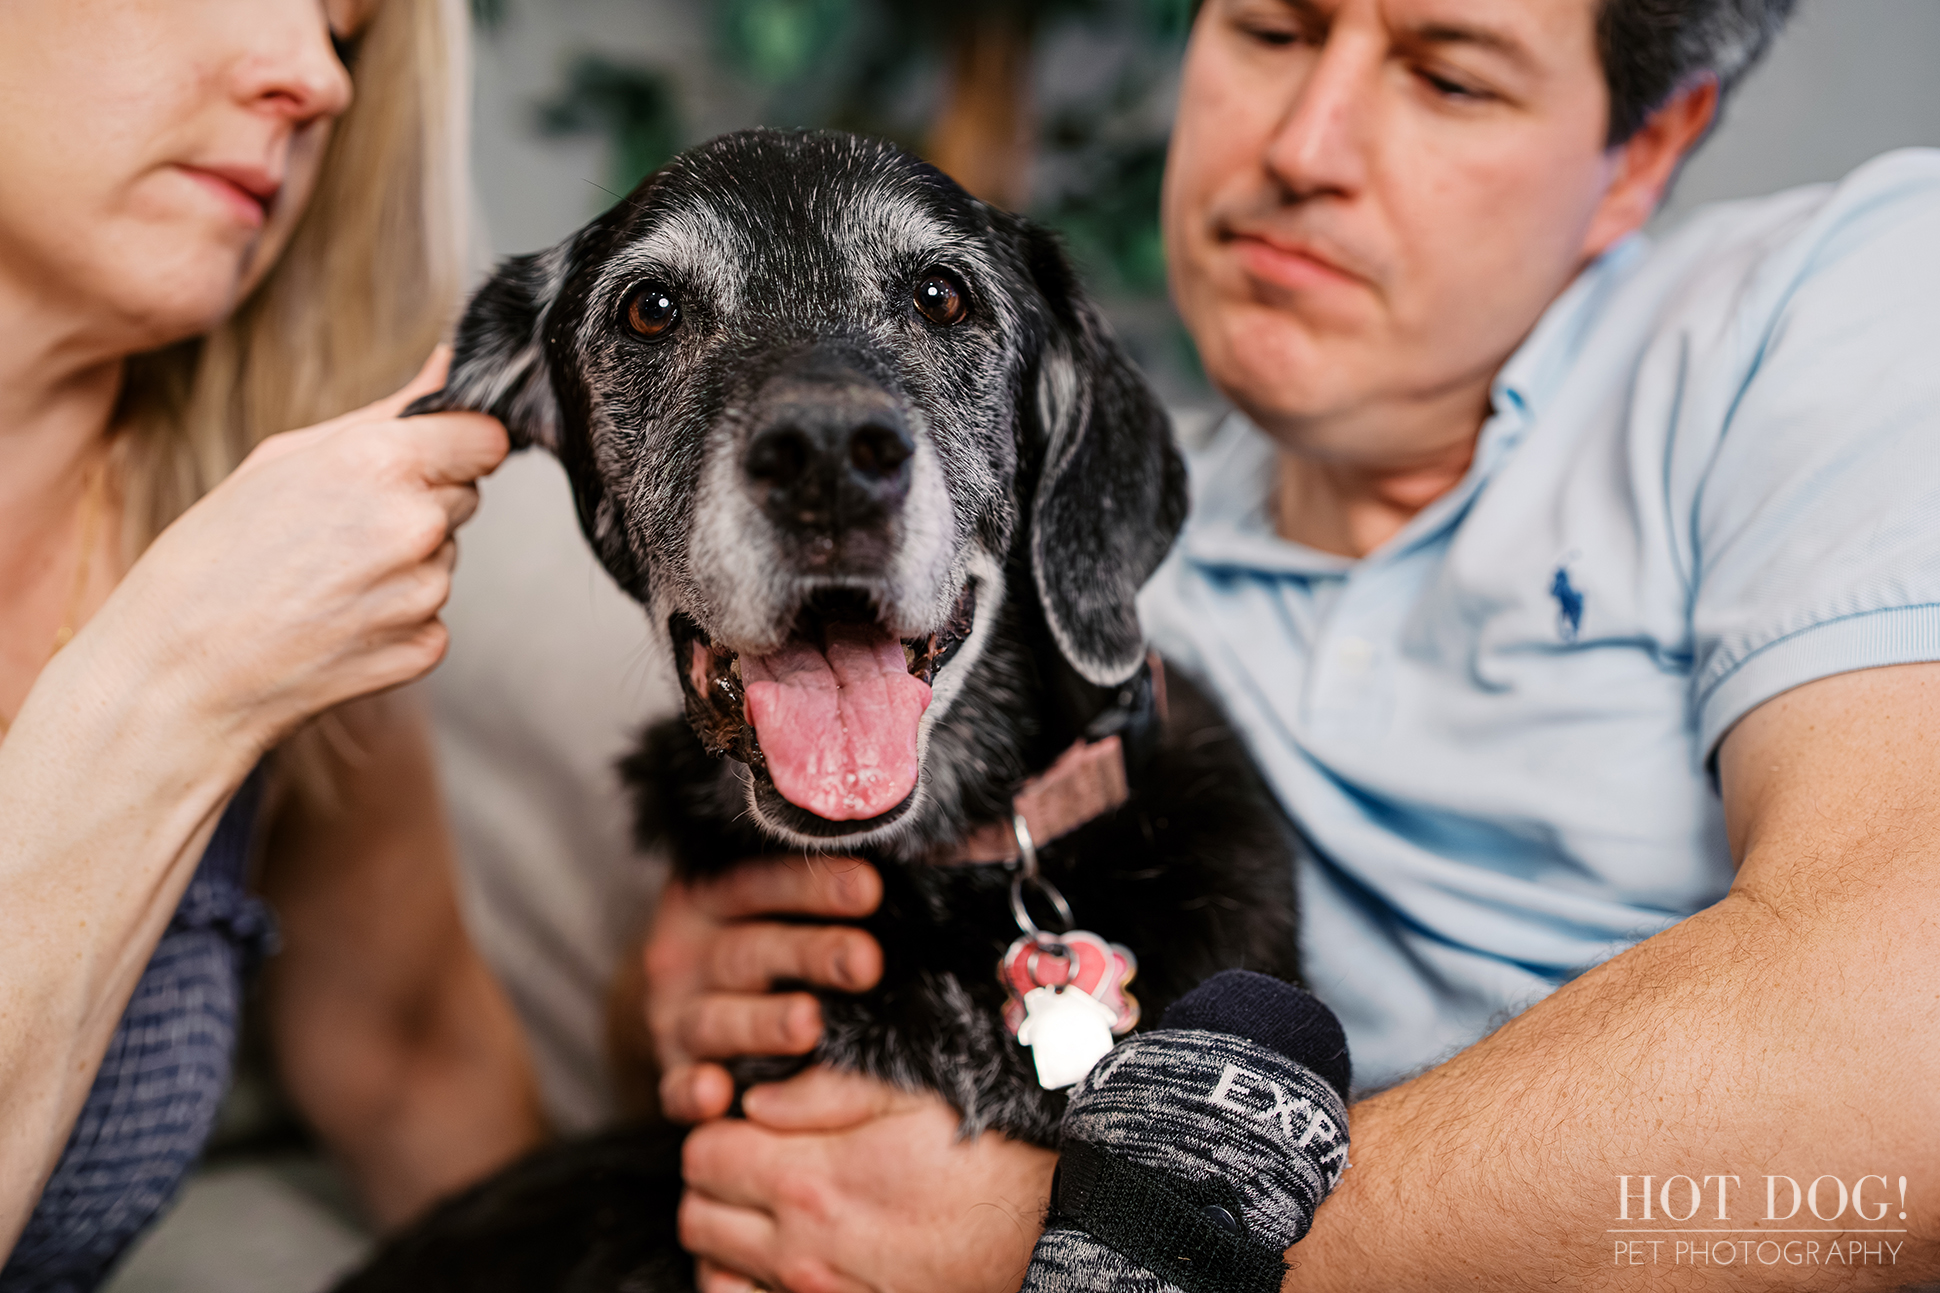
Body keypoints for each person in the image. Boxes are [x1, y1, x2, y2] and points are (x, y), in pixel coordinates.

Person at [633, 0, 1940, 1289]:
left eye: (1449, 77)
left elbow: (1907, 1039)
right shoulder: (1079, 547)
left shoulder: (1833, 308)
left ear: (1645, 150)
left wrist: (1105, 1238)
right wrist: (724, 982)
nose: (1304, 146)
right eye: (1273, 31)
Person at [0, 0, 543, 1285]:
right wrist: (174, 685)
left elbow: (418, 1075)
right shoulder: (235, 612)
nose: (318, 79)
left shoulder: (263, 547)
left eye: (345, 30)